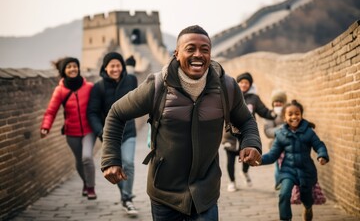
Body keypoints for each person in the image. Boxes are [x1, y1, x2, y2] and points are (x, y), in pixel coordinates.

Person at [101, 25, 262, 221]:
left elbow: (246, 120)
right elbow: (116, 113)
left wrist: (251, 143)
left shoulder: (226, 87)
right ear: (176, 54)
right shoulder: (158, 86)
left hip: (205, 194)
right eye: (190, 48)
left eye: (205, 49)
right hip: (164, 194)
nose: (198, 54)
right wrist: (111, 158)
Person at [87, 52, 138, 216]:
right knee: (115, 167)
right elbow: (92, 113)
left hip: (129, 130)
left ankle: (127, 198)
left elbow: (139, 99)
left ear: (122, 66)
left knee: (128, 163)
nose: (116, 69)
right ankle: (125, 196)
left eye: (118, 65)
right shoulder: (99, 87)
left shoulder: (131, 80)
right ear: (105, 67)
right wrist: (101, 132)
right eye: (112, 66)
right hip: (109, 135)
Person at [260, 100, 329, 221]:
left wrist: (322, 155)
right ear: (284, 118)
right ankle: (285, 218)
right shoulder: (281, 134)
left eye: (297, 113)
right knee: (284, 194)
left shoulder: (309, 132)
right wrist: (259, 160)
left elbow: (319, 145)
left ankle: (308, 207)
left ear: (301, 115)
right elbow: (272, 155)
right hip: (288, 170)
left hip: (306, 170)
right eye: (290, 114)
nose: (294, 117)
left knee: (307, 198)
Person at [40, 57, 97, 199]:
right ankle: (85, 181)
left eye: (75, 66)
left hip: (89, 130)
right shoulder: (60, 91)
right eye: (69, 67)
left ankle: (90, 187)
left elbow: (97, 107)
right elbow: (51, 111)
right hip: (71, 132)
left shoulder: (89, 87)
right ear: (63, 71)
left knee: (87, 157)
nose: (72, 69)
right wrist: (45, 127)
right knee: (79, 160)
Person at [223, 72, 276, 190]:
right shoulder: (231, 96)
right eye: (241, 82)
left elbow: (263, 111)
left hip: (246, 135)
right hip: (230, 135)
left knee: (247, 157)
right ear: (237, 83)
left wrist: (273, 114)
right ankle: (232, 182)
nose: (243, 85)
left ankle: (245, 172)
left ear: (250, 85)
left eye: (246, 83)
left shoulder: (254, 98)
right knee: (230, 159)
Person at [263, 90, 287, 190]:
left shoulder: (288, 112)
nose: (278, 103)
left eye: (280, 102)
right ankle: (278, 184)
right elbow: (268, 131)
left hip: (289, 145)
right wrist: (282, 129)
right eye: (276, 102)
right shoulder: (270, 115)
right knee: (278, 166)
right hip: (276, 145)